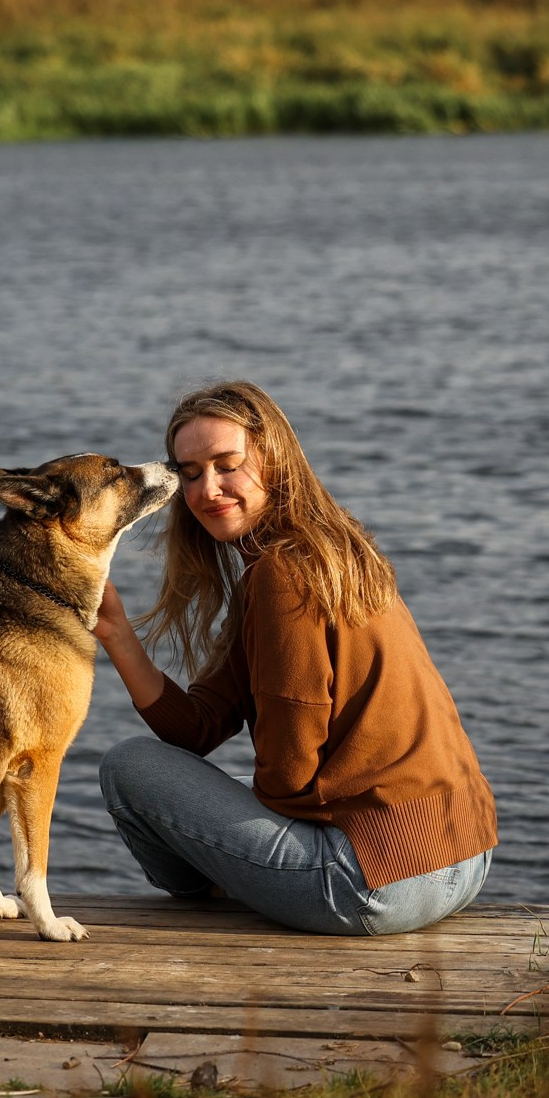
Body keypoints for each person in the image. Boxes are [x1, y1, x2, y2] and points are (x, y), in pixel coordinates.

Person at [92, 380, 497, 936]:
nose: (207, 489)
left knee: (128, 766)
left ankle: (219, 890)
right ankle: (247, 881)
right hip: (463, 856)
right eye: (189, 473)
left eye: (226, 464)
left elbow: (289, 769)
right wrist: (115, 633)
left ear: (274, 460)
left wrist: (228, 828)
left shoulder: (281, 575)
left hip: (372, 884)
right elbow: (199, 729)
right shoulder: (330, 550)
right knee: (201, 778)